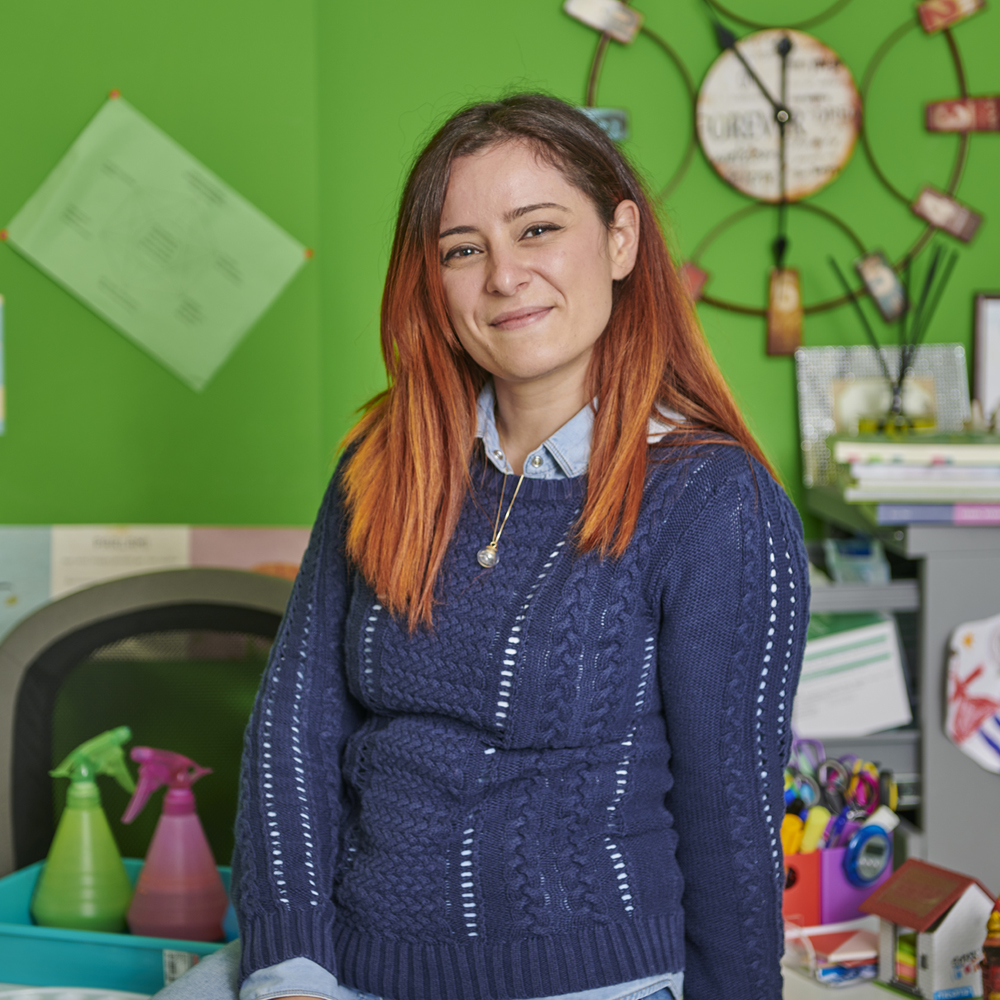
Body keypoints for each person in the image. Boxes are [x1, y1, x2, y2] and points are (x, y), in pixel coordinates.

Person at [156, 92, 807, 1000]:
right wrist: (290, 970)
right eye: (464, 249)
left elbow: (729, 815)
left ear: (621, 240)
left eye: (538, 230)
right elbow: (293, 734)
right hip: (342, 967)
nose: (505, 276)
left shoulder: (715, 499)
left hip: (591, 981)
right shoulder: (383, 461)